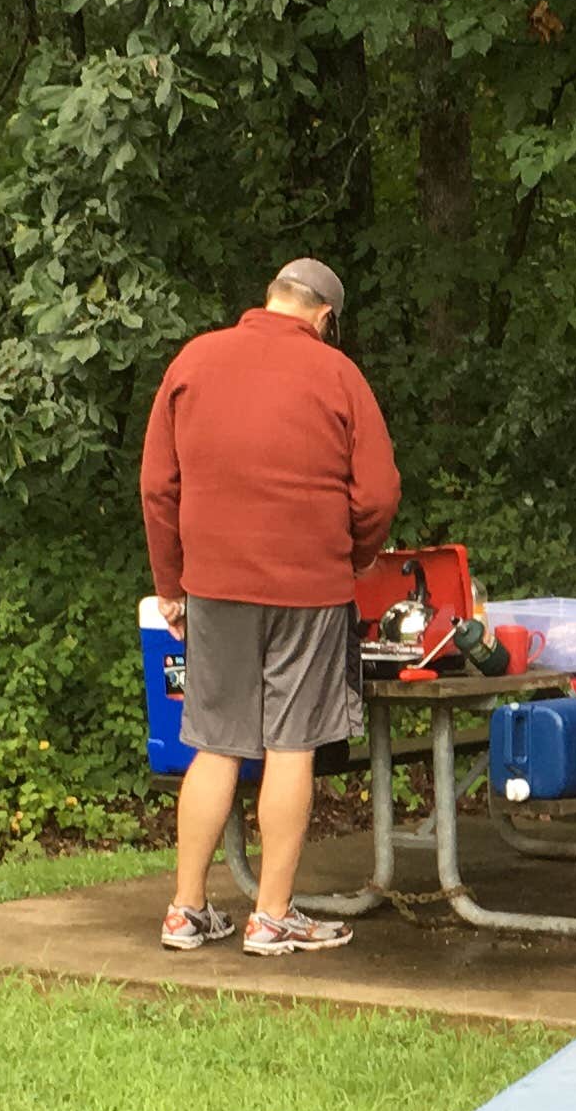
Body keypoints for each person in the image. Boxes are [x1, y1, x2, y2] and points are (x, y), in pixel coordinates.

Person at [140, 256, 400, 955]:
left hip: (215, 584)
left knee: (214, 742)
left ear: (269, 298)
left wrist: (172, 583)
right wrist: (353, 556)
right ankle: (272, 915)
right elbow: (377, 493)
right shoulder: (338, 374)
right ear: (324, 318)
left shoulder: (195, 359)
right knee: (292, 744)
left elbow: (158, 485)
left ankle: (186, 910)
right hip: (308, 588)